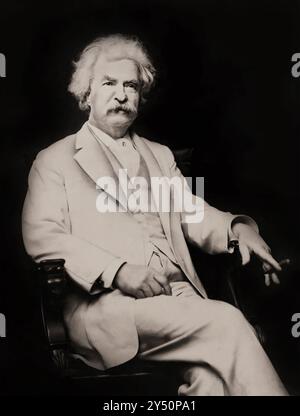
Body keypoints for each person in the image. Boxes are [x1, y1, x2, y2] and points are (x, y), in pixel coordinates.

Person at [22, 34, 288, 395]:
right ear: (86, 94)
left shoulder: (159, 155)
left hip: (180, 297)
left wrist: (239, 230)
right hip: (108, 308)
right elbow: (44, 237)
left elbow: (192, 213)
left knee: (211, 380)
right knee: (228, 322)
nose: (121, 94)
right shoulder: (53, 159)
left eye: (131, 85)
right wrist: (117, 271)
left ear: (140, 96)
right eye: (109, 83)